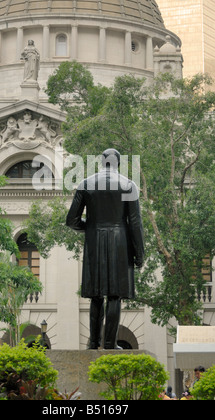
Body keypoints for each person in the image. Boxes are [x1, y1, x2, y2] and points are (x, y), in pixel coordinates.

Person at [66, 148, 144, 349]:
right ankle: (109, 343)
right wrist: (139, 253)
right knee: (115, 295)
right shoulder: (128, 185)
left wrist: (91, 228)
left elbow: (71, 220)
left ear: (101, 162)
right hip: (120, 242)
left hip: (94, 241)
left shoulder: (85, 184)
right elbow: (135, 223)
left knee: (96, 295)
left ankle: (93, 343)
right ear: (118, 163)